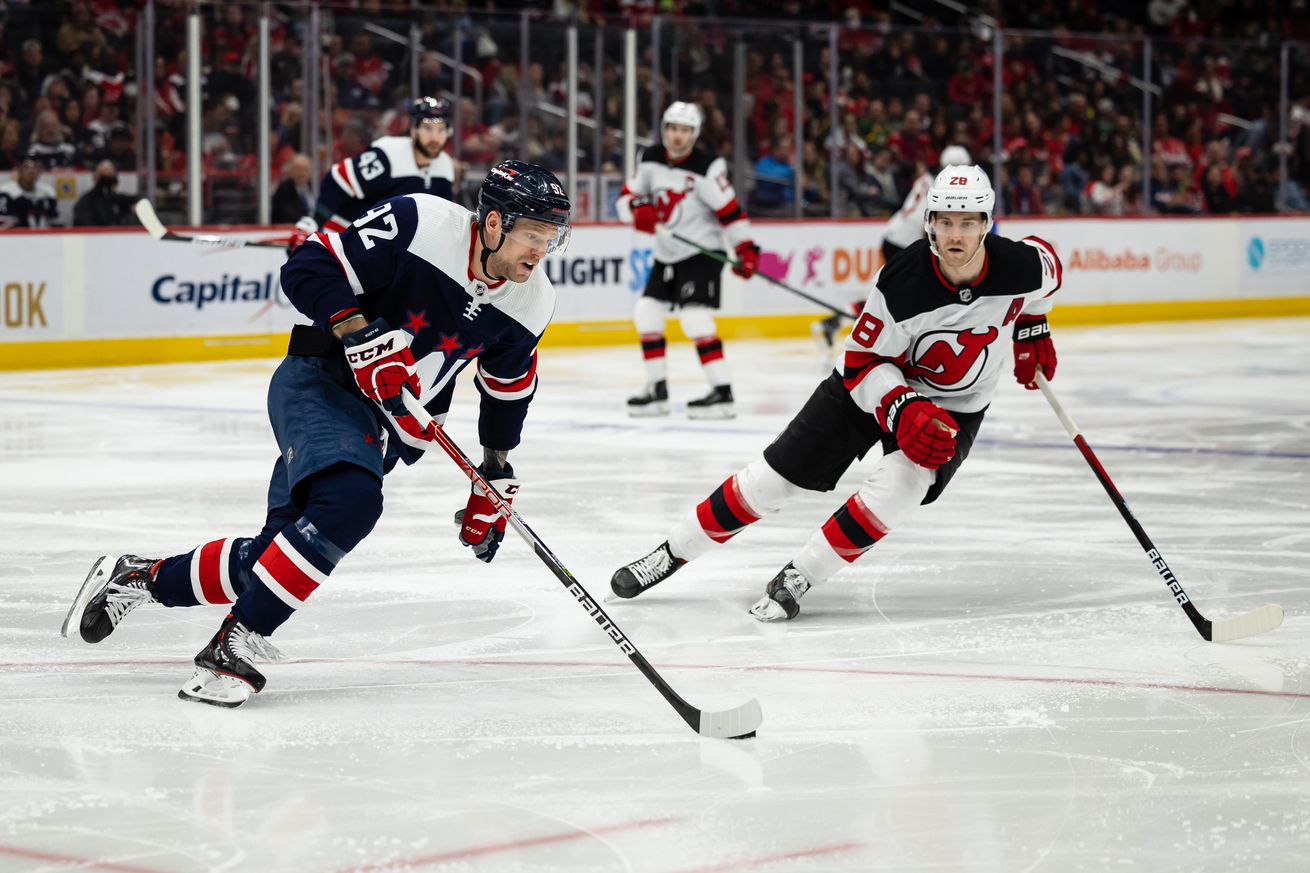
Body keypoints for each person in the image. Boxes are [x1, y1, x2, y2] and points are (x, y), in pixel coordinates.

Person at [61, 160, 572, 707]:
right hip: (321, 383)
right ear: (493, 223)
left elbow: (507, 387)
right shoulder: (418, 221)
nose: (541, 251)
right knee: (350, 504)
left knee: (276, 556)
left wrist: (495, 470)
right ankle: (230, 648)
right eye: (534, 236)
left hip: (385, 425)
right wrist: (360, 334)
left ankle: (140, 578)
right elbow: (306, 267)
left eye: (551, 239)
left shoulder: (532, 300)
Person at [610, 165, 1062, 622]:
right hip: (871, 388)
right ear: (929, 223)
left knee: (903, 486)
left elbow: (1050, 267)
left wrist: (1033, 325)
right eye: (945, 221)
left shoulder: (1019, 266)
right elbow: (861, 360)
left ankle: (798, 576)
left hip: (954, 406)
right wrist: (900, 404)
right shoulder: (902, 280)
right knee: (773, 480)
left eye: (967, 223)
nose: (955, 235)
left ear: (987, 224)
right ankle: (670, 552)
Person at [615, 101, 761, 419]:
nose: (677, 136)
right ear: (664, 130)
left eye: (684, 130)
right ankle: (657, 390)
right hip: (668, 254)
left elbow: (731, 213)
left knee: (695, 319)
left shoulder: (709, 168)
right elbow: (626, 197)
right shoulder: (650, 158)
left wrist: (747, 248)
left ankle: (722, 393)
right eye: (672, 128)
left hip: (702, 252)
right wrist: (637, 210)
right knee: (646, 313)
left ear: (694, 134)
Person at [813, 144, 972, 348]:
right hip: (904, 242)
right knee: (900, 292)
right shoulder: (944, 189)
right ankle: (843, 323)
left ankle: (836, 322)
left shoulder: (929, 179)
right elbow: (928, 227)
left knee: (894, 292)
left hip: (896, 235)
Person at [288, 97, 457, 247]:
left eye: (441, 130)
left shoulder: (445, 165)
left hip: (392, 251)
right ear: (413, 129)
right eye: (428, 128)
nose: (435, 137)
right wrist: (316, 221)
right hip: (348, 239)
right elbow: (338, 180)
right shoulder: (389, 153)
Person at [72, 159, 136, 226]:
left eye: (111, 176)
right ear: (95, 178)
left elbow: (139, 198)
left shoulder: (118, 199)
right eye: (105, 178)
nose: (108, 183)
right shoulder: (85, 203)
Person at [0, 158, 60, 228]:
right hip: (16, 237)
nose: (31, 171)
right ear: (19, 170)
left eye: (36, 167)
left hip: (44, 236)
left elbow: (56, 222)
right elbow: (3, 226)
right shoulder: (6, 193)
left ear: (40, 171)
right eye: (26, 167)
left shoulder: (48, 192)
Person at [271, 152, 314, 223]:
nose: (302, 173)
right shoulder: (284, 190)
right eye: (299, 170)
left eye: (305, 170)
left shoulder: (310, 186)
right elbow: (289, 216)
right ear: (291, 171)